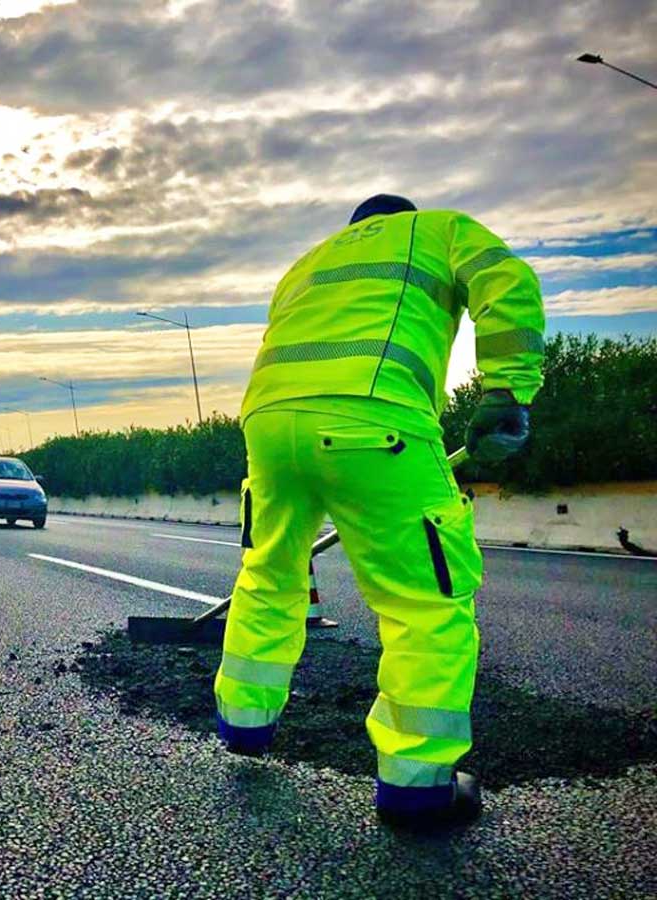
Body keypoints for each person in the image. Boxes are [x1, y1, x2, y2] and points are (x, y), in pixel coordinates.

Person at [216, 195, 544, 827]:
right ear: (399, 216)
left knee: (270, 575)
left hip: (268, 425)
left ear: (356, 228)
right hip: (376, 420)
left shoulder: (308, 263)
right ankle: (417, 783)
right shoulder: (438, 229)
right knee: (425, 602)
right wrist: (507, 388)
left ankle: (244, 724)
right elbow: (508, 280)